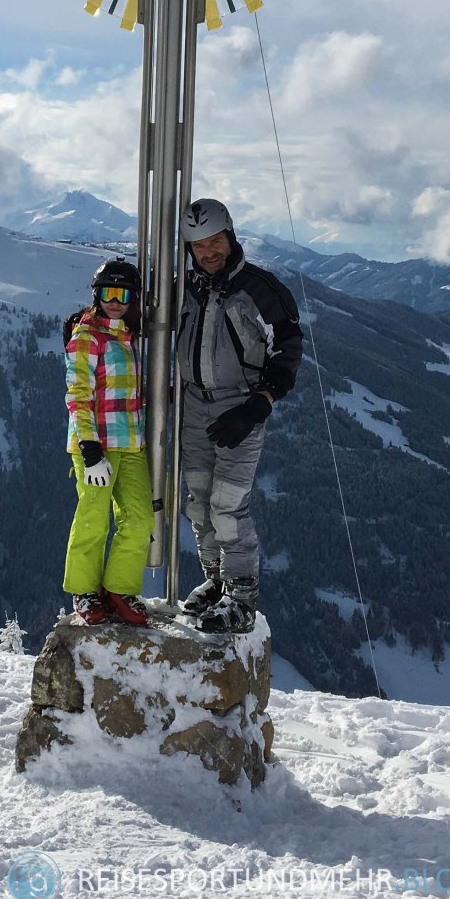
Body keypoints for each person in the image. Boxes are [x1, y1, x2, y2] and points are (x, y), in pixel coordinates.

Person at [176, 199, 302, 634]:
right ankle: (216, 580)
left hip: (240, 404)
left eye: (215, 242)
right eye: (198, 245)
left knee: (228, 503)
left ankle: (242, 597)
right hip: (192, 403)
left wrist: (259, 403)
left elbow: (288, 345)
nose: (208, 251)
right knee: (199, 500)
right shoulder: (185, 287)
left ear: (230, 236)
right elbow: (143, 319)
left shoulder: (259, 288)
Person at [62, 258, 154, 627]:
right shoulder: (86, 335)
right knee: (93, 519)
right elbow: (78, 393)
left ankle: (118, 588)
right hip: (96, 443)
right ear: (96, 295)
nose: (114, 300)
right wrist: (89, 448)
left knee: (139, 517)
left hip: (131, 441)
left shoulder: (130, 335)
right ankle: (84, 590)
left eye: (123, 293)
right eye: (107, 292)